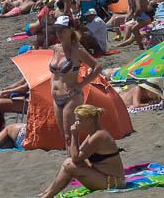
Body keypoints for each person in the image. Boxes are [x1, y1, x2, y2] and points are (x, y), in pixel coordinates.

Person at [39, 105, 125, 198]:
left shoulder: (99, 136)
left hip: (114, 182)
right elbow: (76, 155)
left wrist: (74, 135)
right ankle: (47, 193)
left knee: (70, 164)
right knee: (68, 163)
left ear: (90, 120)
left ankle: (48, 195)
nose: (76, 123)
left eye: (79, 120)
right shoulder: (93, 134)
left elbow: (75, 158)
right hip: (104, 177)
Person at [50, 16, 102, 150]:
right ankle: (75, 164)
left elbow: (97, 67)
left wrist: (81, 84)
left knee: (70, 136)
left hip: (71, 96)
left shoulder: (77, 50)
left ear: (71, 29)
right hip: (56, 98)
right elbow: (54, 74)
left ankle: (76, 165)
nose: (59, 33)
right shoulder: (56, 48)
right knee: (64, 136)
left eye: (62, 29)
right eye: (56, 29)